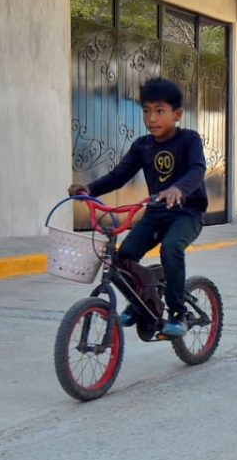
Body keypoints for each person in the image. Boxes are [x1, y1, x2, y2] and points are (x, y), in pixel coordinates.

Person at [68, 78, 206, 337]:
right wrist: (89, 189)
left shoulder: (189, 140)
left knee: (171, 248)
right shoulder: (143, 146)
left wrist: (179, 189)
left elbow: (197, 170)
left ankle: (177, 313)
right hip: (155, 214)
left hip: (187, 214)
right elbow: (119, 176)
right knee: (123, 258)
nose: (151, 118)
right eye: (146, 111)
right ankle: (141, 302)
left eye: (159, 111)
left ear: (177, 114)